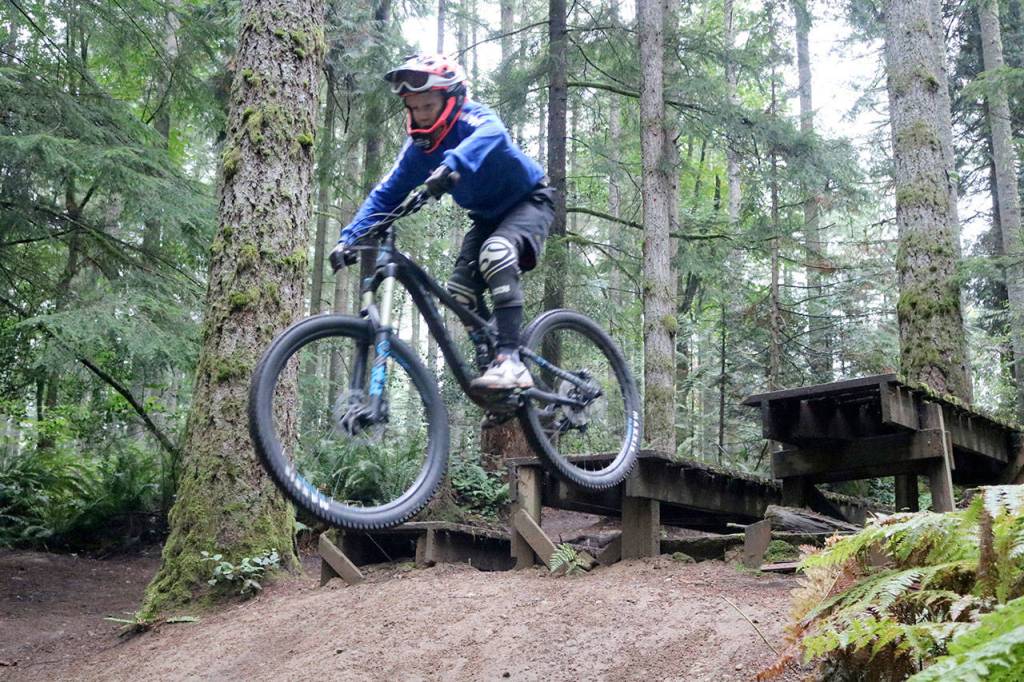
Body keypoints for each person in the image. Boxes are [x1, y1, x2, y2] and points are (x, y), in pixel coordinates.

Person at [331, 54, 555, 391]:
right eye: (413, 107)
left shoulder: (473, 118)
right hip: (486, 218)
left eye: (428, 106)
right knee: (461, 291)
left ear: (450, 101)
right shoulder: (417, 152)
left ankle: (511, 360)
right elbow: (384, 195)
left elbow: (494, 132)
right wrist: (349, 238)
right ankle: (493, 370)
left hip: (529, 202)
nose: (420, 114)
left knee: (496, 253)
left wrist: (453, 164)